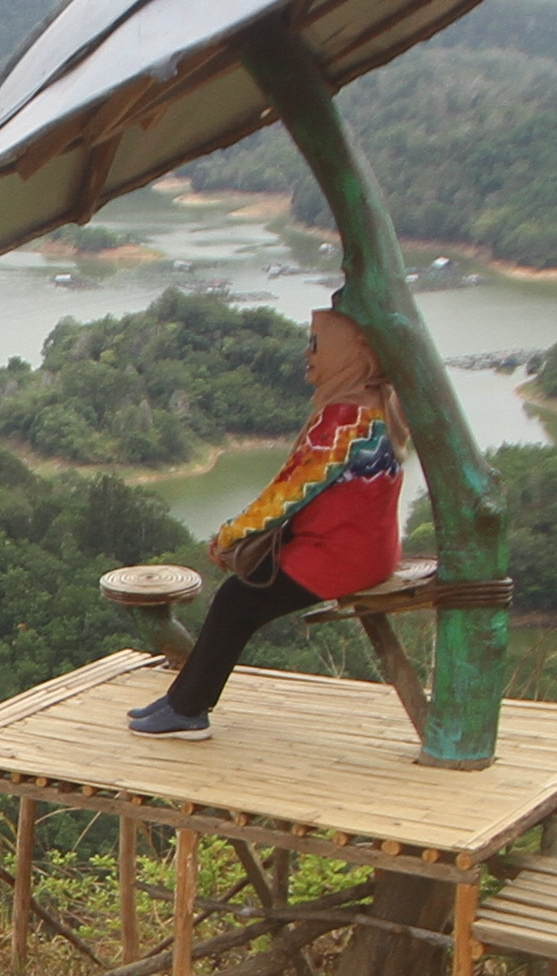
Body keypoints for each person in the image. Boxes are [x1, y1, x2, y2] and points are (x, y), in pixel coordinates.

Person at [126, 300, 404, 739]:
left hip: (341, 554)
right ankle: (183, 699)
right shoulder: (377, 404)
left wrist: (229, 537)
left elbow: (288, 493)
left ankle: (188, 709)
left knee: (237, 600)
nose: (308, 354)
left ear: (348, 354)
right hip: (367, 547)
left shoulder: (344, 420)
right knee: (239, 599)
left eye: (317, 345)